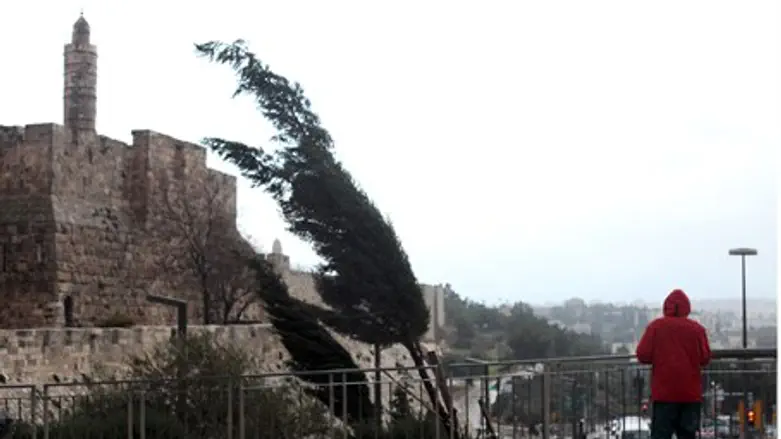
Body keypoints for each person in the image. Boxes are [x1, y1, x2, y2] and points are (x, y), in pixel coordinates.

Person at [636, 289, 711, 439]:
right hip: (690, 396)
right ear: (687, 308)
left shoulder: (655, 327)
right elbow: (705, 358)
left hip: (664, 396)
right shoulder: (697, 330)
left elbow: (642, 354)